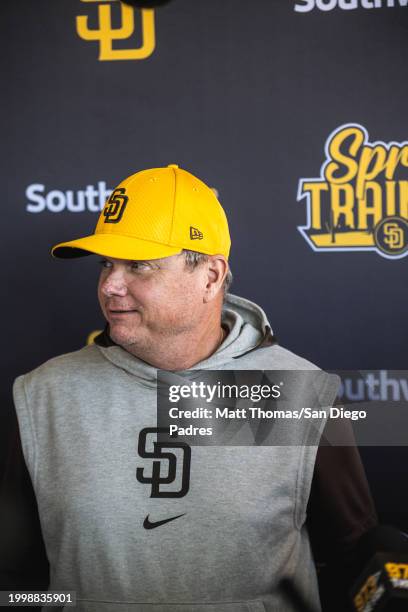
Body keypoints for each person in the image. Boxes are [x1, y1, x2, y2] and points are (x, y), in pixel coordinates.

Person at [1, 165, 377, 612]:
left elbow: (357, 567)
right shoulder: (44, 396)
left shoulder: (300, 396)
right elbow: (15, 579)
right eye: (106, 264)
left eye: (138, 265)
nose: (109, 285)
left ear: (211, 277)